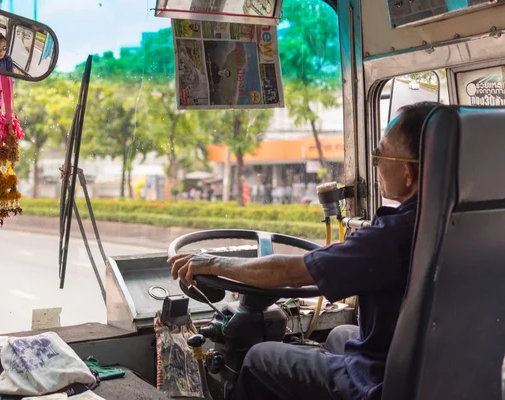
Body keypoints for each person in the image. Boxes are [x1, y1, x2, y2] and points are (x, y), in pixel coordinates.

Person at [168, 101, 440, 400]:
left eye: (379, 154)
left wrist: (214, 262)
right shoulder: (457, 223)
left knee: (261, 358)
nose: (375, 163)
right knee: (340, 335)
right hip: (437, 372)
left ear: (408, 172)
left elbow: (290, 273)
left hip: (381, 383)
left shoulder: (394, 235)